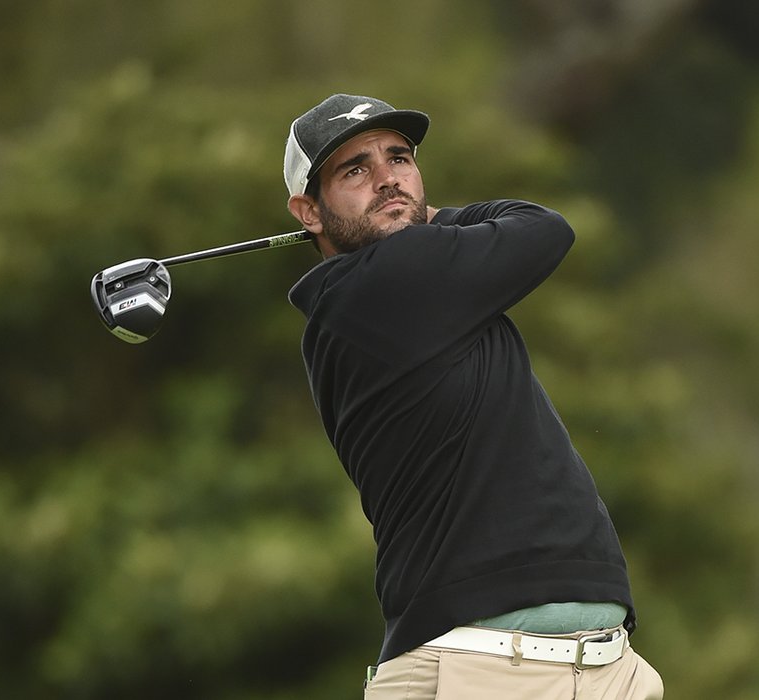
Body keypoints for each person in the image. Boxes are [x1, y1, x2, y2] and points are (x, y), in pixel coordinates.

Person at [283, 93, 663, 700]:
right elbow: (544, 228)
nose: (387, 180)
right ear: (309, 211)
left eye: (398, 159)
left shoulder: (398, 287)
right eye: (354, 170)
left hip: (595, 669)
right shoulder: (383, 286)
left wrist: (418, 219)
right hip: (481, 670)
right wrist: (431, 215)